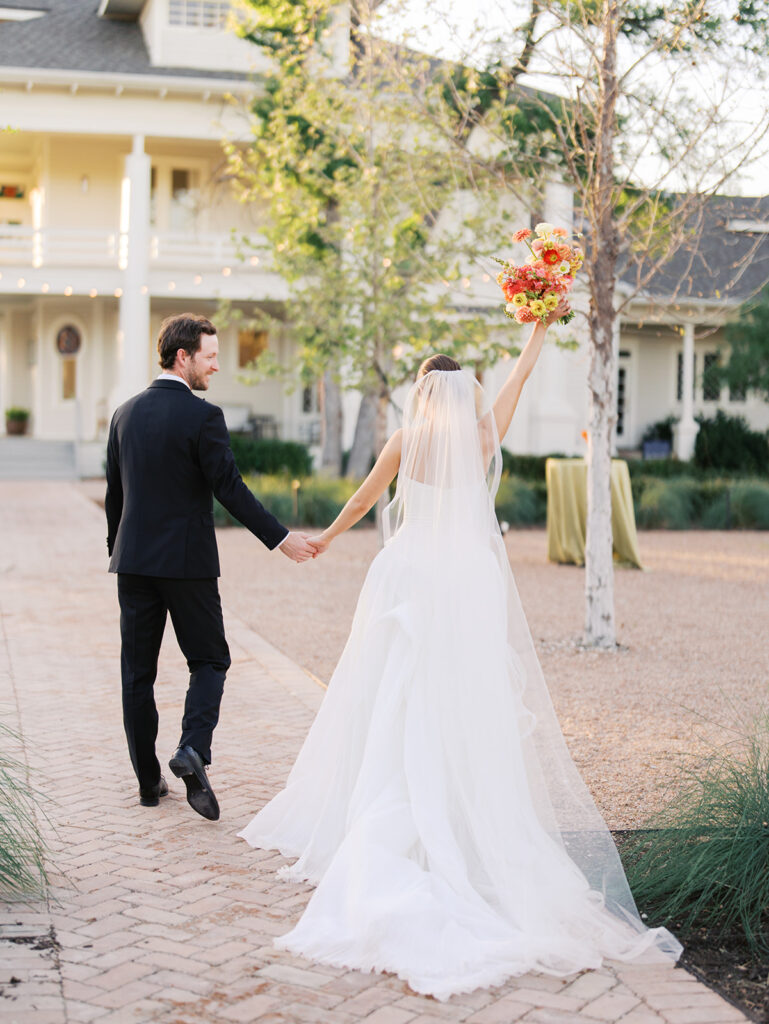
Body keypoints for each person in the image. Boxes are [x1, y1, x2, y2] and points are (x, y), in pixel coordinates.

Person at [239, 302, 682, 999]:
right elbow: (520, 377)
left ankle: (399, 793)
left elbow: (362, 502)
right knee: (466, 685)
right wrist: (539, 327)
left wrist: (322, 538)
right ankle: (464, 804)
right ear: (463, 393)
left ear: (421, 394)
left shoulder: (405, 441)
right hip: (469, 576)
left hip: (410, 570)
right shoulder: (482, 437)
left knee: (395, 686)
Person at [106, 313, 316, 820]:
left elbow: (115, 495)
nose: (216, 366)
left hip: (132, 563)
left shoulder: (123, 414)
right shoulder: (203, 416)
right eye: (210, 356)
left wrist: (119, 549)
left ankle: (147, 783)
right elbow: (230, 489)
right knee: (210, 660)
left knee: (136, 674)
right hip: (187, 565)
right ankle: (192, 749)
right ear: (183, 357)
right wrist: (281, 539)